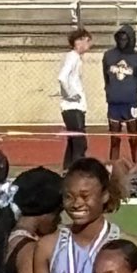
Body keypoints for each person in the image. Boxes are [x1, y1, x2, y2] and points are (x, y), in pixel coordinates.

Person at [103, 24, 137, 163]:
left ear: (131, 39)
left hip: (131, 103)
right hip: (114, 104)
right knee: (114, 140)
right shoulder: (109, 55)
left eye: (125, 39)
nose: (122, 42)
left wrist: (129, 87)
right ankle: (112, 169)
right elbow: (106, 77)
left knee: (133, 139)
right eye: (120, 39)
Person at [59, 28, 92, 170]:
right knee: (80, 143)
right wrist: (70, 94)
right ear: (80, 41)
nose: (89, 46)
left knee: (73, 142)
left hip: (73, 107)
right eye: (88, 41)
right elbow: (61, 77)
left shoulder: (75, 58)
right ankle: (78, 172)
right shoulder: (72, 57)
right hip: (73, 107)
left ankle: (67, 170)